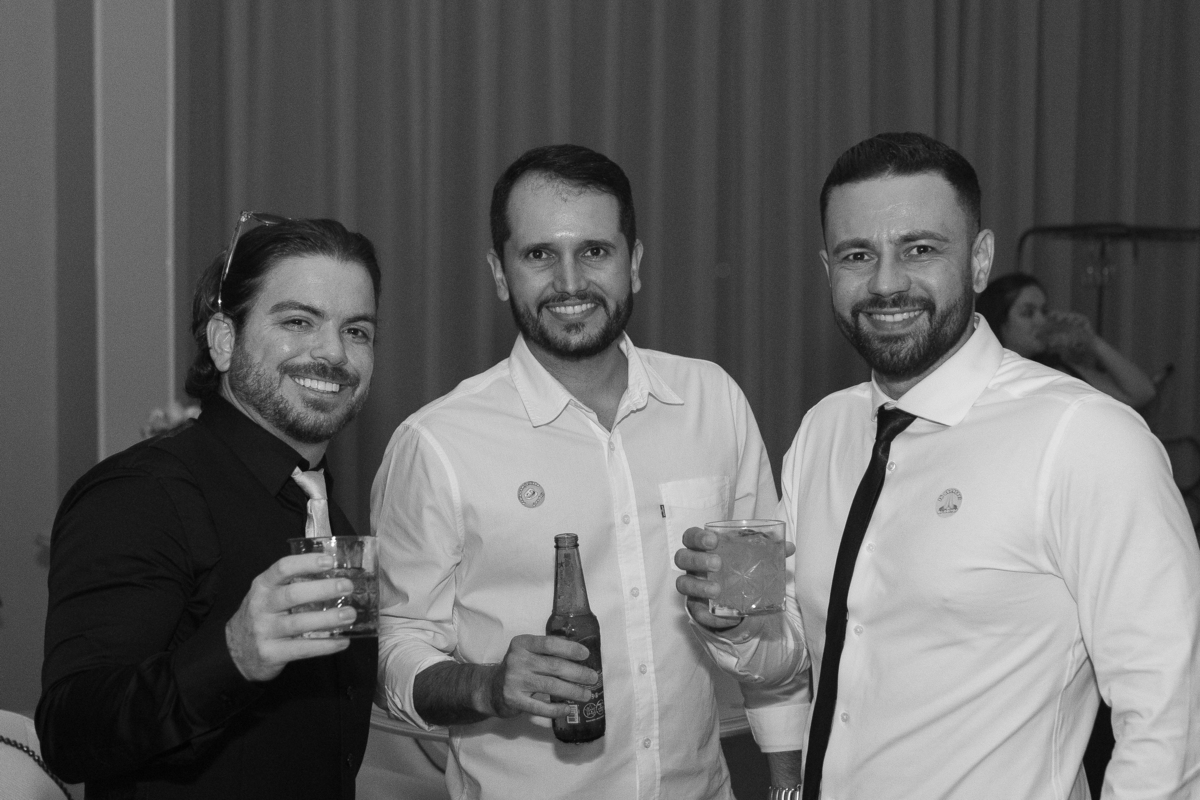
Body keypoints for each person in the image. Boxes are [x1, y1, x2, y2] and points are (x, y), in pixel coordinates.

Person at [677, 132, 1200, 799]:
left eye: (920, 249)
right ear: (828, 269)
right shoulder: (824, 431)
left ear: (979, 261)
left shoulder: (1085, 438)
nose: (886, 282)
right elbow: (811, 649)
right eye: (857, 255)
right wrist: (739, 628)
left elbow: (1171, 714)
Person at [372, 144, 782, 800]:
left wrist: (785, 767)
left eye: (594, 251)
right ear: (500, 272)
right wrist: (487, 685)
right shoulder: (437, 443)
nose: (569, 282)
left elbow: (768, 610)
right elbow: (395, 647)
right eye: (539, 254)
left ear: (634, 263)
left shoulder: (713, 403)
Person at [37, 215, 382, 799]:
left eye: (357, 331)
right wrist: (232, 656)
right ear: (224, 341)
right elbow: (69, 732)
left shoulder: (319, 503)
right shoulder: (141, 493)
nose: (333, 352)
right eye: (298, 321)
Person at [978, 272, 1156, 408]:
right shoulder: (982, 376)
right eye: (1028, 313)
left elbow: (1141, 394)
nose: (1041, 321)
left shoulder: (1056, 369)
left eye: (1044, 311)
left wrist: (1093, 342)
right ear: (999, 320)